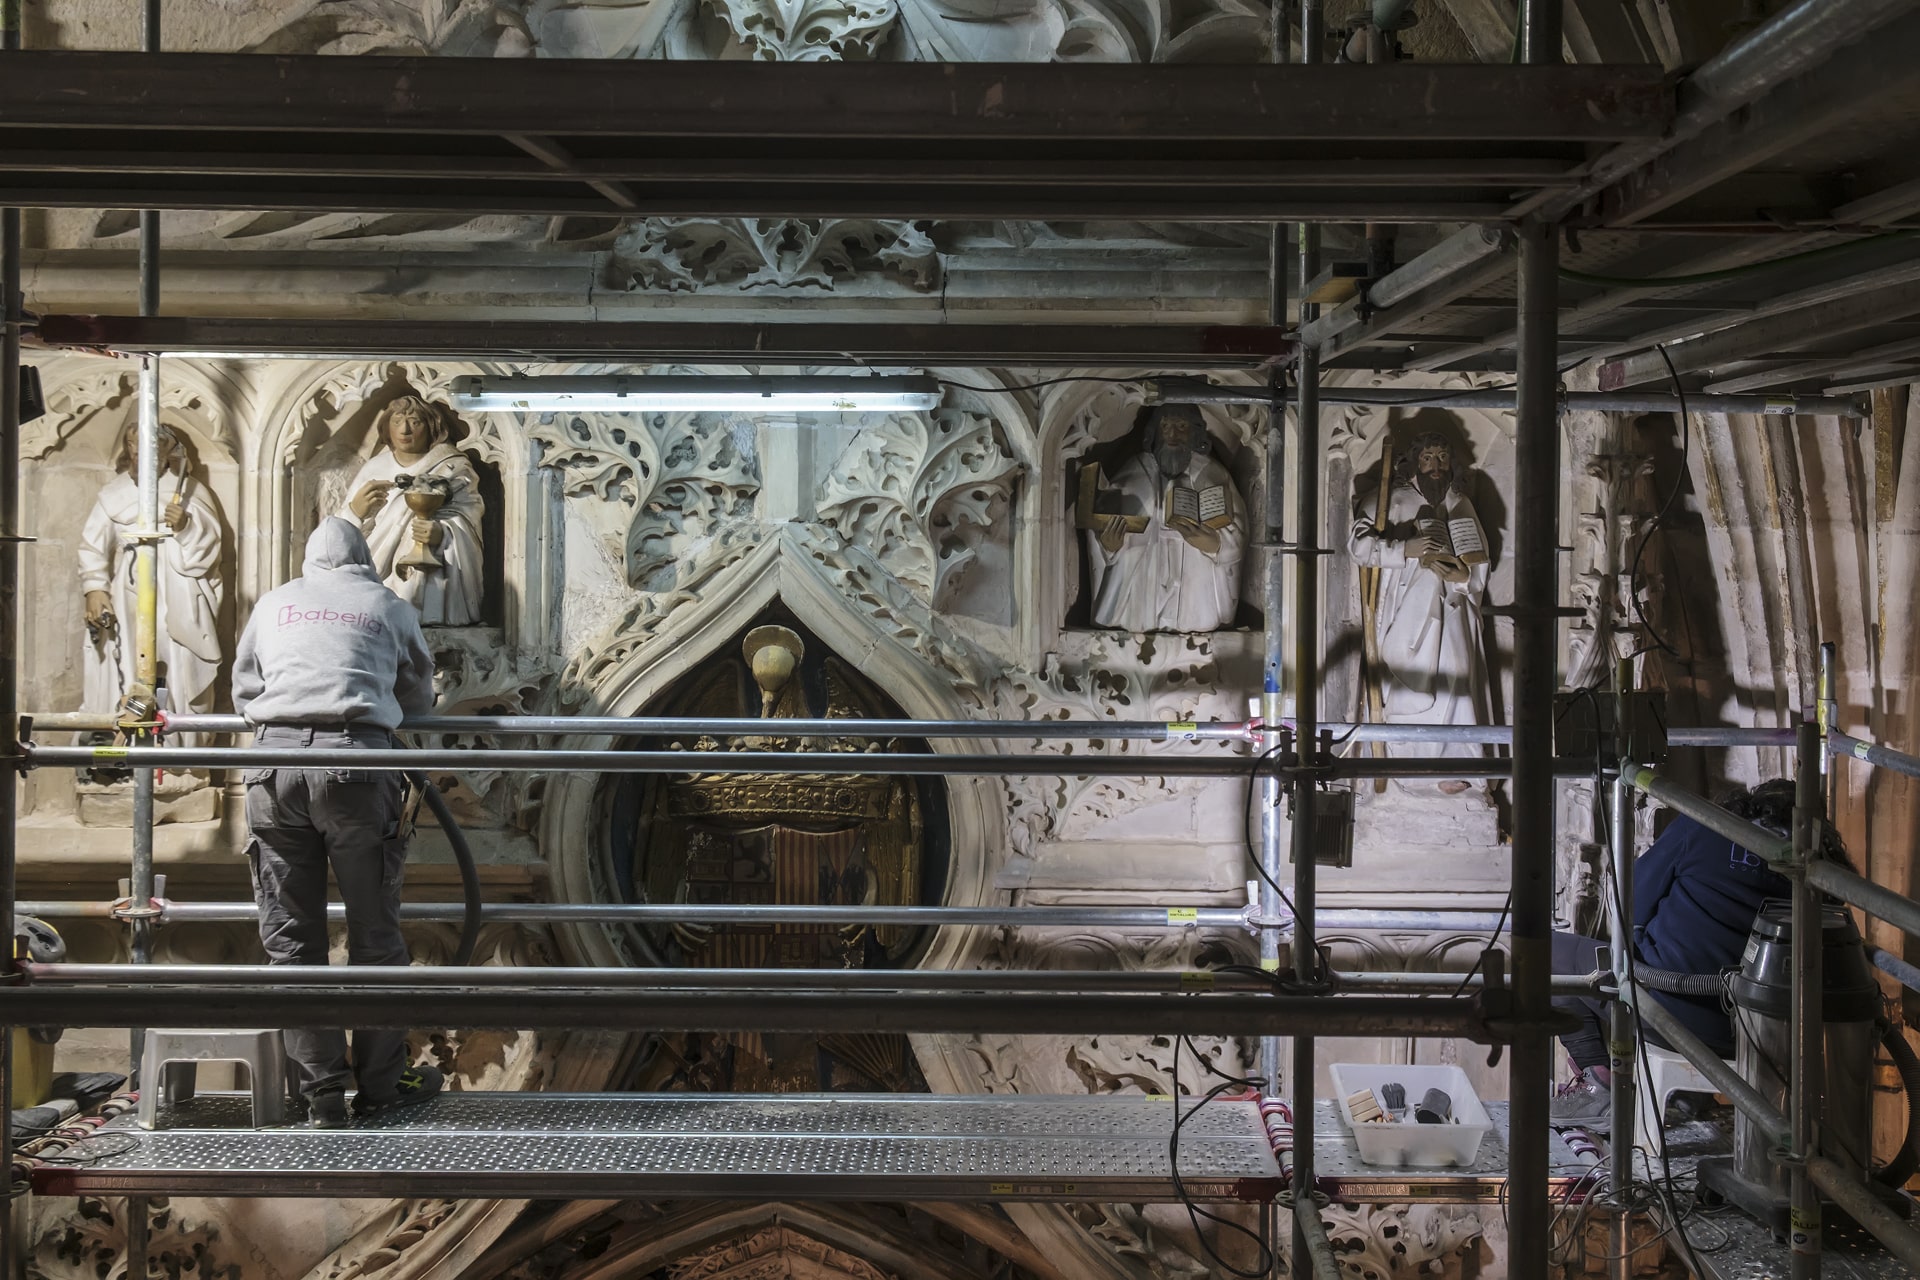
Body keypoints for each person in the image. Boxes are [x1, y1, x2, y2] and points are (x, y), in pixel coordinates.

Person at [233, 518, 441, 1127]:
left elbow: (246, 689)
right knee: (375, 937)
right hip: (356, 766)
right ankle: (380, 1087)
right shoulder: (388, 604)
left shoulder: (274, 603)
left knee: (292, 943)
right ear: (364, 559)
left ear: (308, 560)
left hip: (273, 769)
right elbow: (418, 695)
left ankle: (322, 1093)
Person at [1549, 779, 1836, 1128]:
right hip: (1763, 1036)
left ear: (1752, 804)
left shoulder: (1706, 827)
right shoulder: (1826, 872)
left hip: (1664, 1011)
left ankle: (1602, 1088)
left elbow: (1631, 901)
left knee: (1552, 954)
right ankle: (1685, 1094)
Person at [1348, 432, 1492, 793]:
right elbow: (1359, 547)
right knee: (1407, 678)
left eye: (1442, 458)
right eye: (1428, 458)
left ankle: (1457, 762)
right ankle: (1412, 758)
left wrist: (1465, 577)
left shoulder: (1460, 502)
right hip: (1404, 608)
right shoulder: (1388, 499)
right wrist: (1404, 548)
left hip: (1454, 608)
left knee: (1456, 676)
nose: (1436, 466)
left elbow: (1479, 560)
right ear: (1413, 463)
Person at [79, 422, 225, 744]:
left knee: (181, 668)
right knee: (129, 666)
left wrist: (186, 526)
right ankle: (129, 747)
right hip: (129, 595)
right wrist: (95, 589)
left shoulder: (190, 492)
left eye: (148, 449)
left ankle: (181, 754)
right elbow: (93, 547)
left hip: (178, 596)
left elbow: (209, 550)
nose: (138, 456)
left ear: (167, 453)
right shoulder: (113, 495)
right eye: (133, 448)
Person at [1082, 405, 1245, 632]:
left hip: (1195, 593)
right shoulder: (1135, 469)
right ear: (1155, 433)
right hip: (1142, 590)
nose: (1172, 435)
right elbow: (1102, 523)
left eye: (1181, 426)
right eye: (1165, 426)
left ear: (1195, 433)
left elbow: (1238, 533)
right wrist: (1109, 547)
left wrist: (1214, 544)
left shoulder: (1213, 473)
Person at [339, 395, 485, 627]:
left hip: (437, 569)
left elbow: (471, 515)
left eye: (415, 422)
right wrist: (355, 512)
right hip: (379, 571)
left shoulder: (453, 466)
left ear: (432, 427)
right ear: (386, 427)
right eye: (397, 422)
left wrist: (443, 533)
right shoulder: (375, 467)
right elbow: (341, 531)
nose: (405, 429)